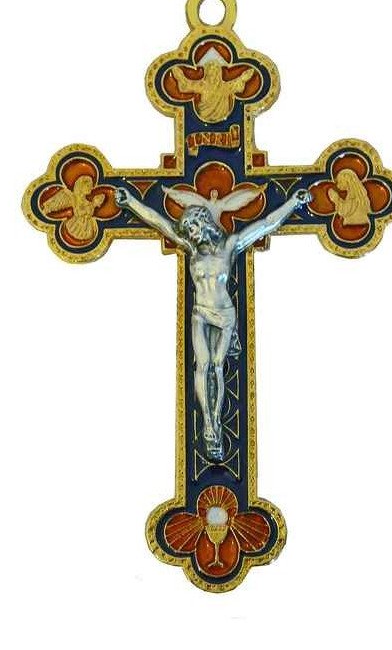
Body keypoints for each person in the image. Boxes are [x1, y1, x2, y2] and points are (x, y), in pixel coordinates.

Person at [115, 185, 312, 460]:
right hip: (200, 313)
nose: (189, 234)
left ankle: (216, 419)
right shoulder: (191, 250)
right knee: (202, 365)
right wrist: (131, 202)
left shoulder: (230, 246)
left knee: (218, 366)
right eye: (187, 231)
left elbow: (266, 224)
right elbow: (159, 222)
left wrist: (293, 202)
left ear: (203, 223)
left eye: (192, 228)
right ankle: (208, 423)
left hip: (224, 315)